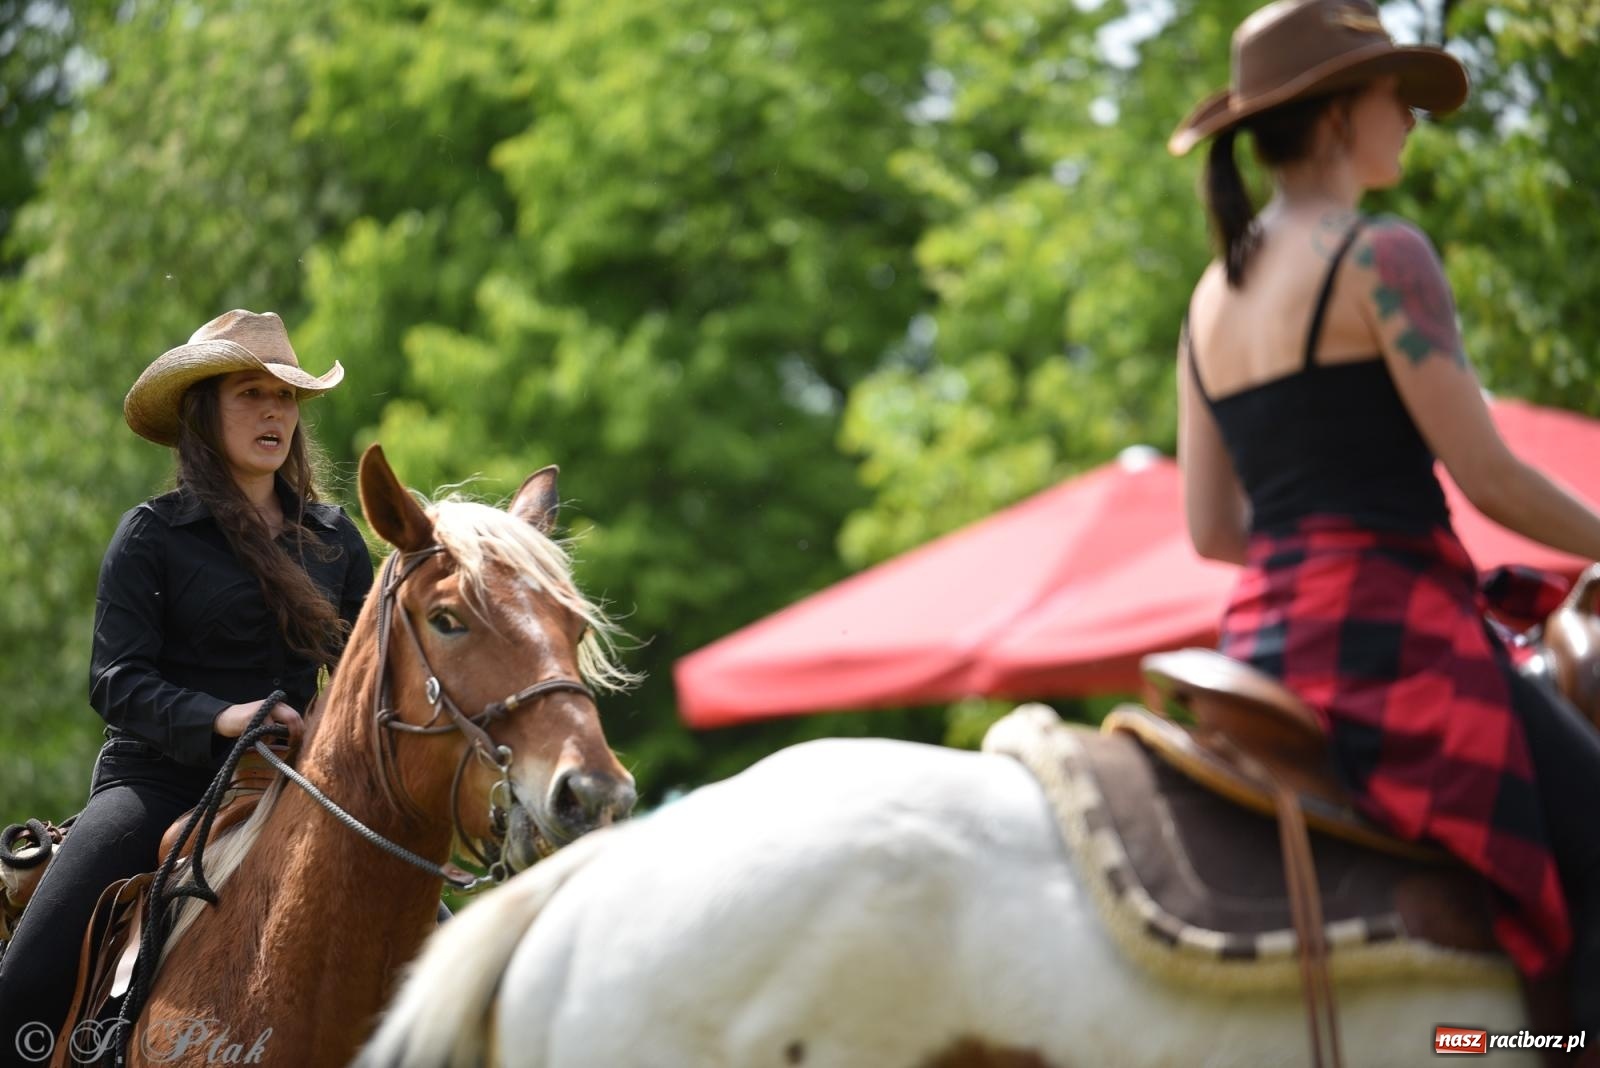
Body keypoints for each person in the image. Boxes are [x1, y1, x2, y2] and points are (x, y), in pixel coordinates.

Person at [1170, 0, 1600, 1037]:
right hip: (1396, 644)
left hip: (1265, 651)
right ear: (1331, 117)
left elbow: (1213, 534)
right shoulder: (1380, 255)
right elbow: (1489, 479)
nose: (1409, 116)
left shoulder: (1206, 298)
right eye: (1391, 94)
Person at [0, 310, 373, 1056]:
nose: (274, 412)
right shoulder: (152, 536)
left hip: (295, 791)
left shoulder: (335, 539)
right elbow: (115, 681)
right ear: (204, 413)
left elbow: (364, 676)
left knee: (447, 960)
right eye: (249, 393)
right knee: (21, 986)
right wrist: (221, 718)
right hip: (158, 789)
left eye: (286, 398)